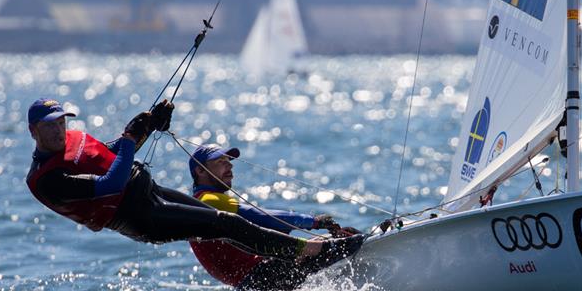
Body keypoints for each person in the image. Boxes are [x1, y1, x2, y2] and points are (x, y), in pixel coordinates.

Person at [25, 98, 363, 268]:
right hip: (140, 217)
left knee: (225, 224)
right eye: (50, 126)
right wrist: (129, 139)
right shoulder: (47, 180)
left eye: (61, 123)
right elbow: (109, 185)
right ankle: (308, 252)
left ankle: (299, 254)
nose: (59, 130)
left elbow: (110, 154)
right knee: (225, 222)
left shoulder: (75, 139)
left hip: (150, 191)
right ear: (34, 132)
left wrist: (146, 128)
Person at [187, 144, 361, 291]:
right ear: (200, 170)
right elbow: (264, 218)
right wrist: (314, 222)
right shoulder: (209, 201)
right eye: (220, 162)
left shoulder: (199, 203)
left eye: (229, 161)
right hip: (265, 276)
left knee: (331, 240)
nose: (229, 167)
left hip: (254, 283)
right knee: (350, 237)